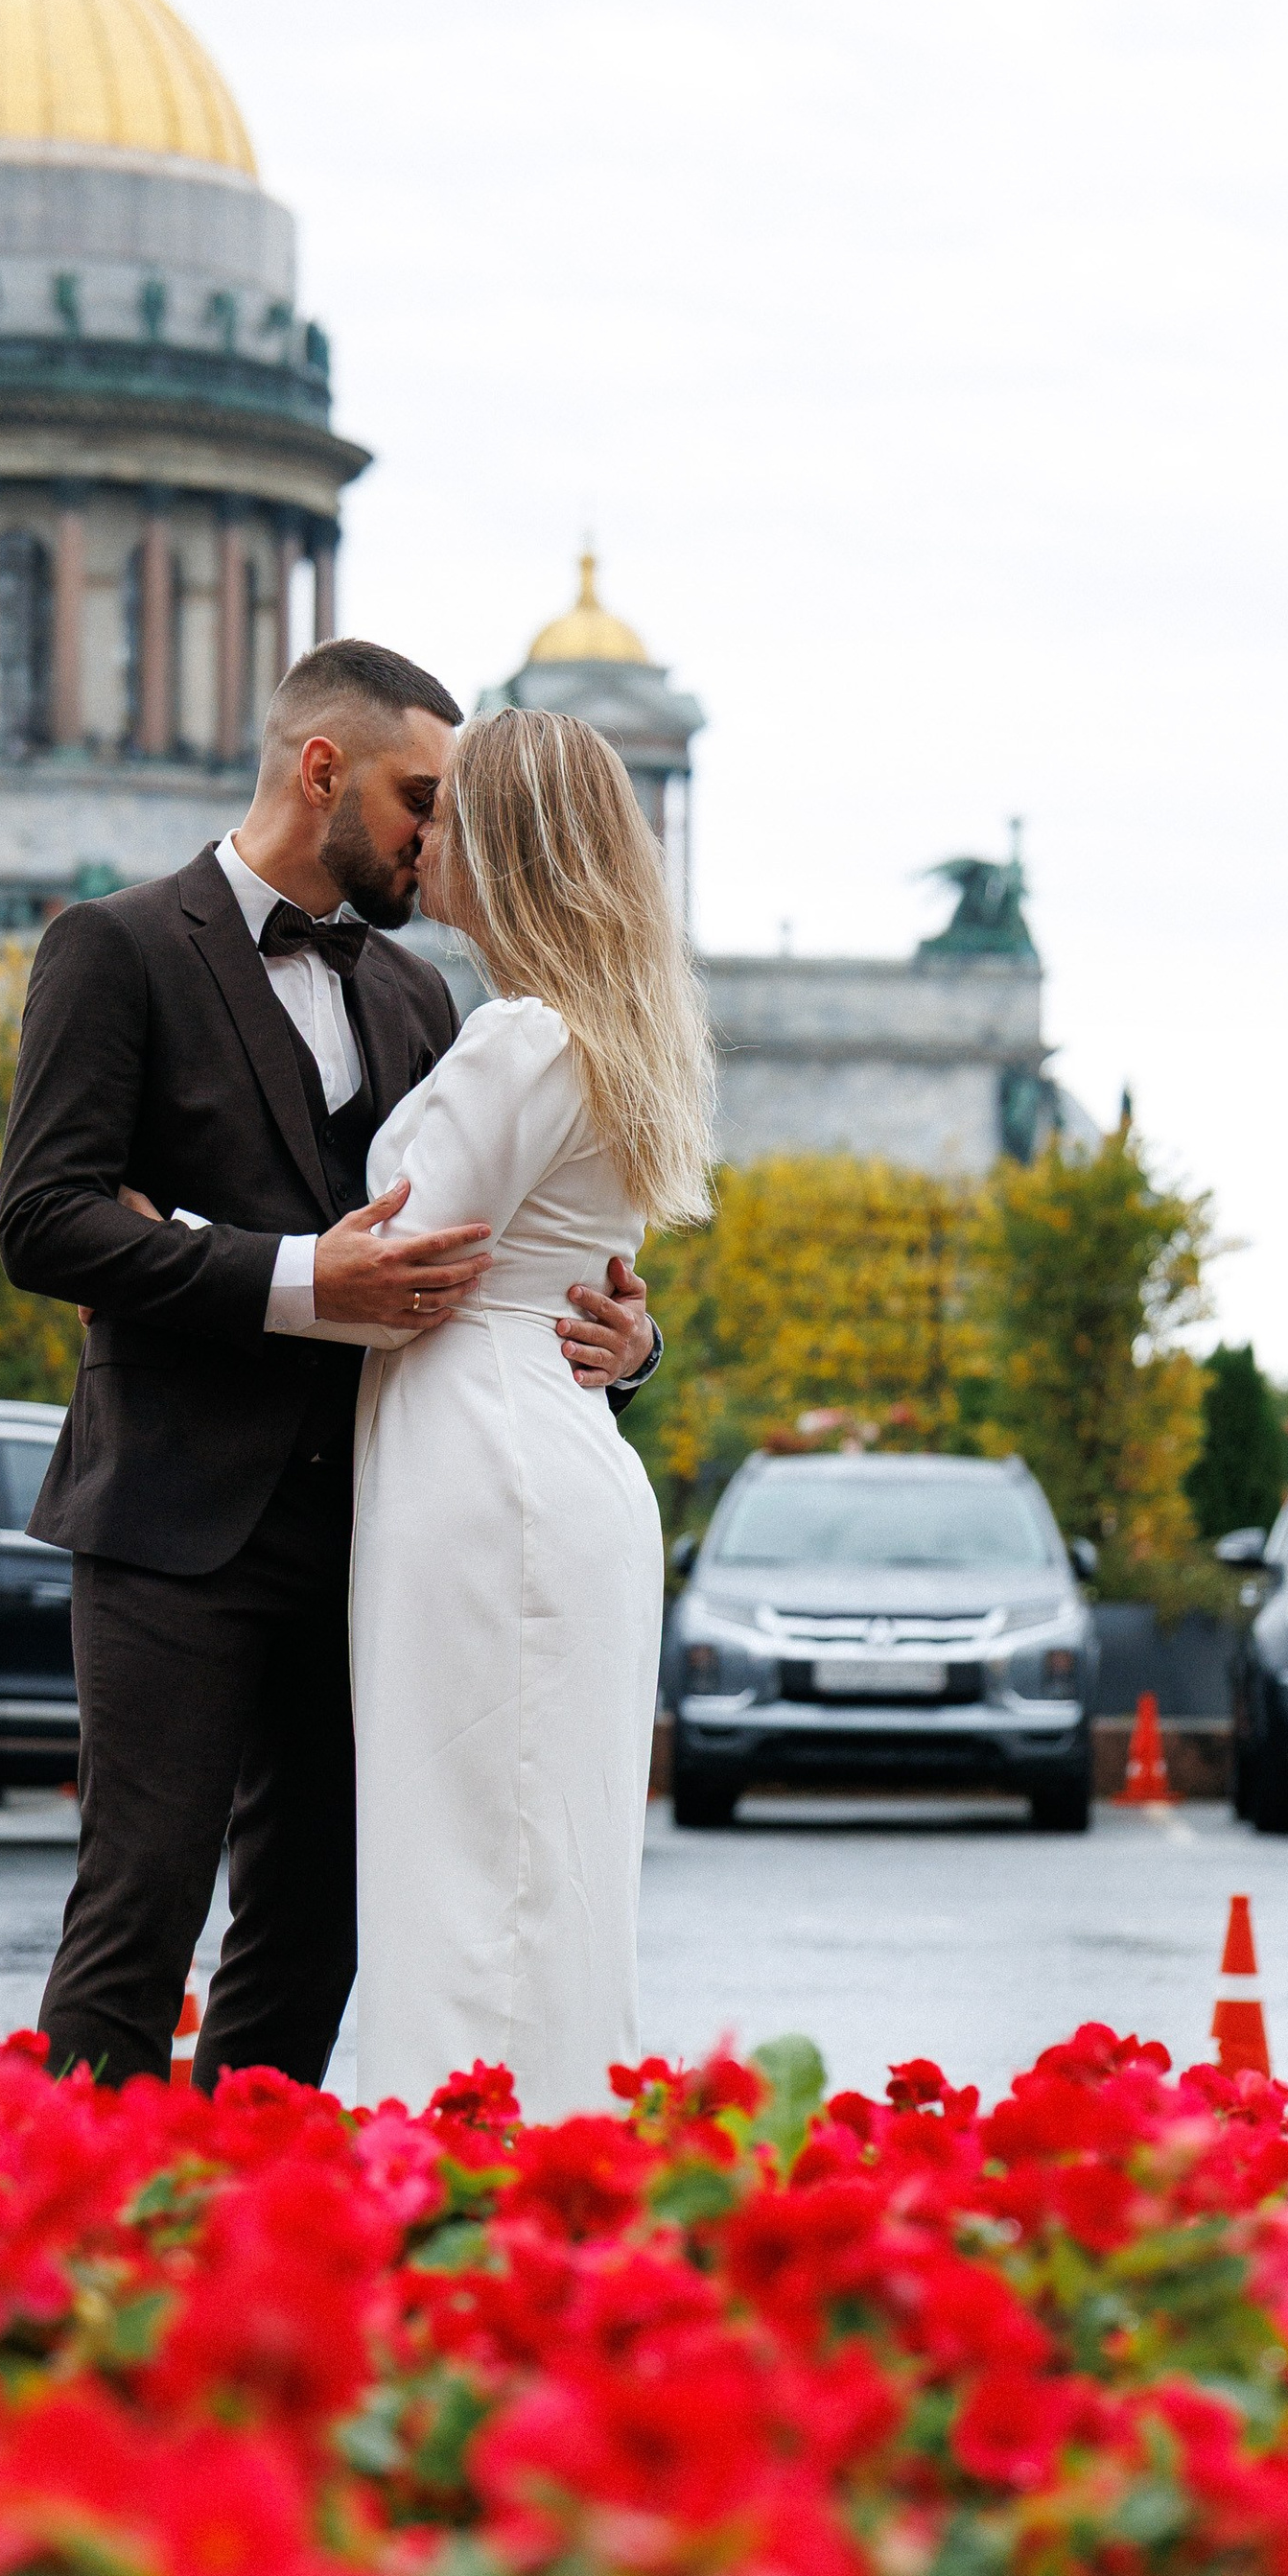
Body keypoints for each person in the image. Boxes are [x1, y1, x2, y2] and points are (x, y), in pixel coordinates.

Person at [0, 639, 661, 2092]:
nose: (438, 836)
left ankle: (255, 2201)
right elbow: (43, 1219)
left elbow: (490, 1244)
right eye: (422, 797)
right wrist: (298, 1276)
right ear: (321, 771)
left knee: (317, 1929)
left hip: (384, 1526)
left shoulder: (422, 997)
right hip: (176, 1514)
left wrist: (629, 1336)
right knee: (138, 1911)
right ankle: (76, 2213)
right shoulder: (114, 946)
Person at [346, 706, 714, 2116]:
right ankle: (561, 2163)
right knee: (545, 1875)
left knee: (466, 1877)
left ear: (503, 842)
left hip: (482, 1464)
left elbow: (402, 1267)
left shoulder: (521, 1035)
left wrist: (177, 1252)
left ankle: (470, 2171)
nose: (421, 839)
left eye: (445, 815)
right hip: (557, 1449)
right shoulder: (610, 1031)